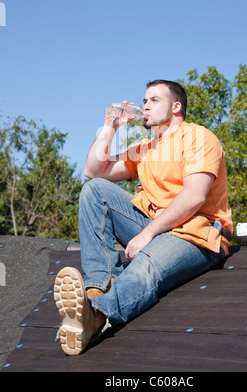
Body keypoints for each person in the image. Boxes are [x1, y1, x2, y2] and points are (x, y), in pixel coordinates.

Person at [54, 80, 233, 356]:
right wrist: (110, 126)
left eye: (153, 100)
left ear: (176, 107)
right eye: (144, 100)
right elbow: (93, 171)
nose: (145, 106)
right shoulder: (145, 148)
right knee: (94, 191)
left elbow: (194, 196)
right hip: (156, 226)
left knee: (145, 265)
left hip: (197, 234)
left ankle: (97, 315)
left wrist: (147, 234)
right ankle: (96, 291)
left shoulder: (198, 138)